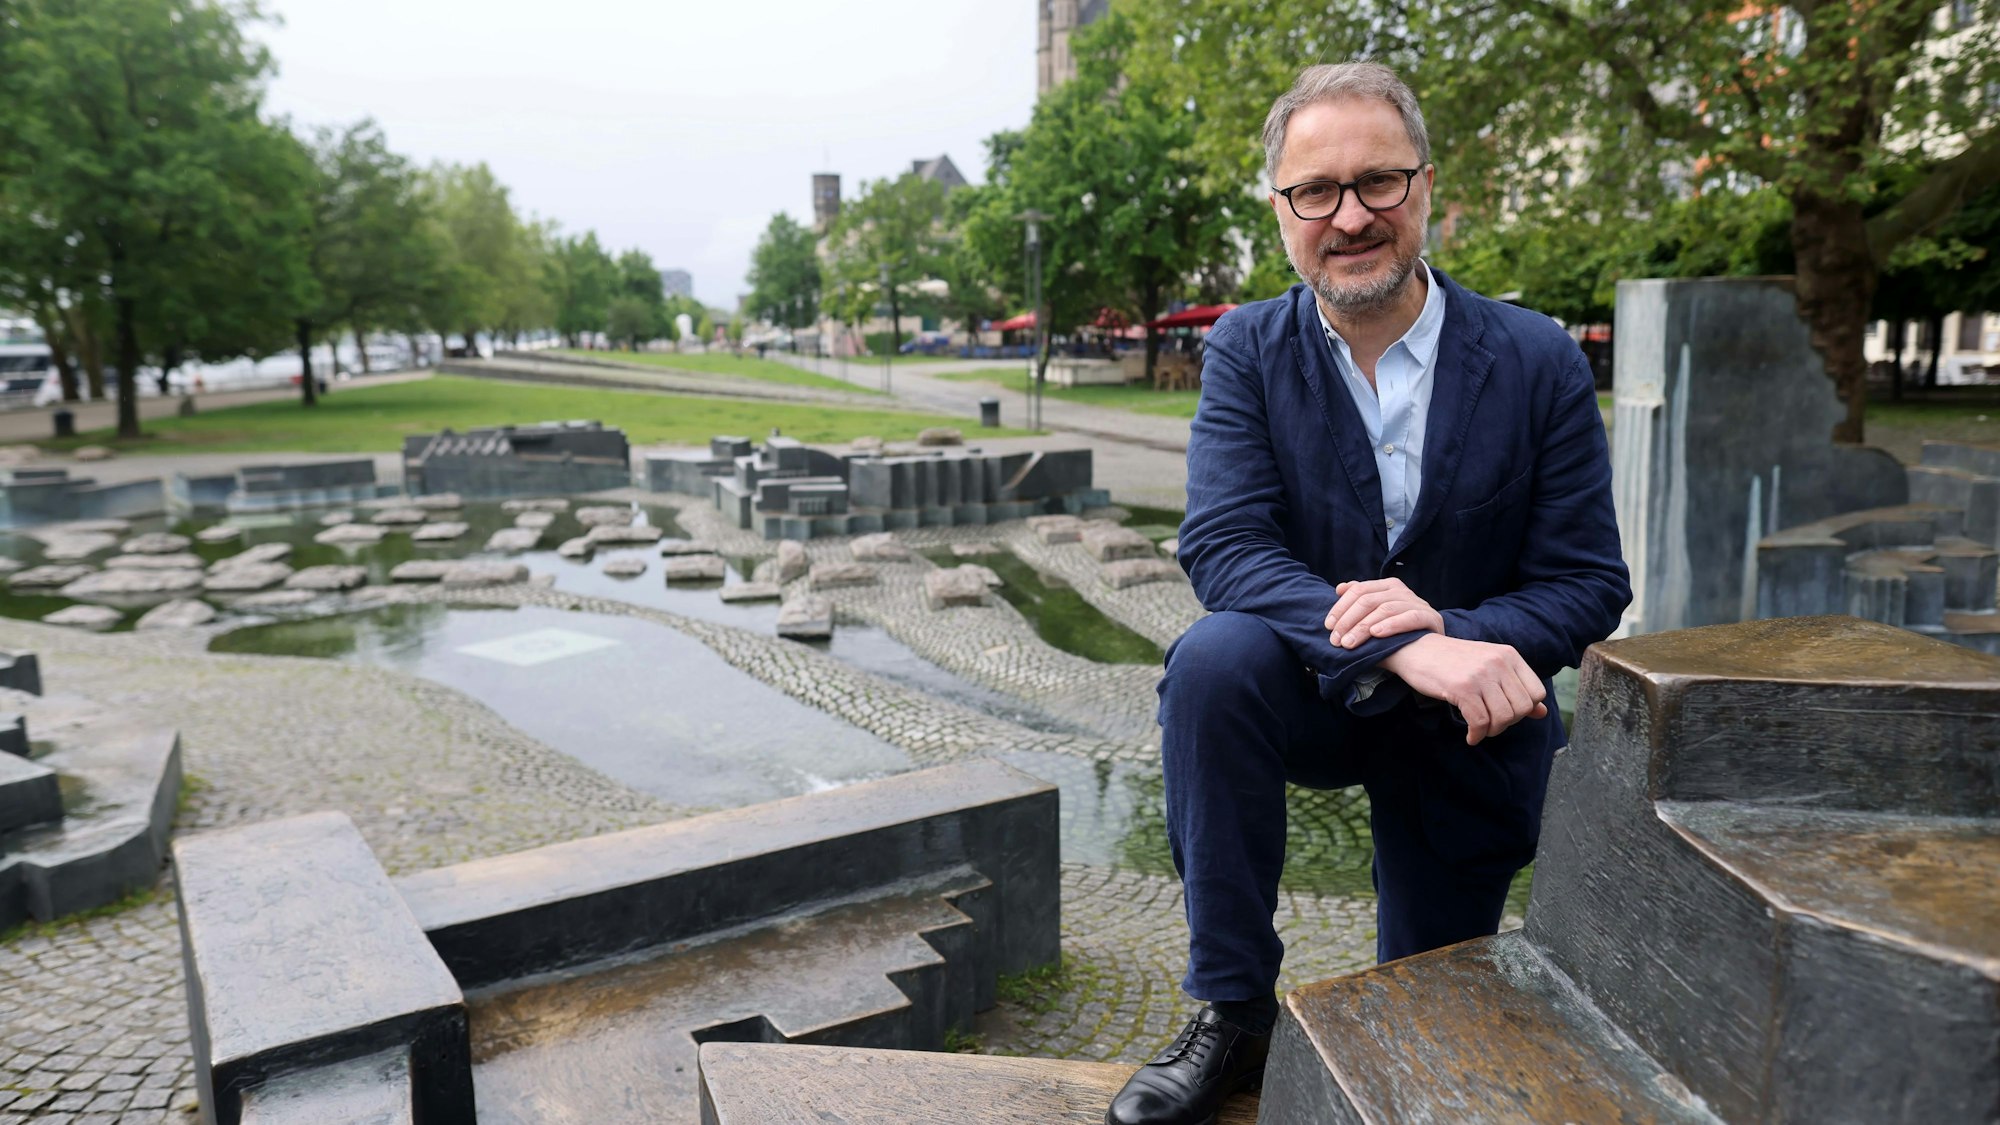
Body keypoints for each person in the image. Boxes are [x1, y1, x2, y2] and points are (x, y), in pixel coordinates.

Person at [1105, 62, 1630, 1125]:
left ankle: (1410, 1031)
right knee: (1212, 661)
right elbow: (1224, 544)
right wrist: (1403, 643)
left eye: (1377, 182)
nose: (1349, 217)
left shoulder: (1536, 359)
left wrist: (1456, 632)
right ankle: (1232, 1010)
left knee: (1423, 1026)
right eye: (1316, 191)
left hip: (1467, 724)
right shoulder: (1247, 347)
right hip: (1307, 692)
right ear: (1281, 211)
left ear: (1426, 186)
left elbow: (1588, 581)